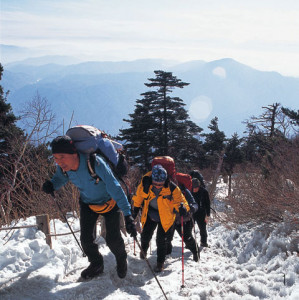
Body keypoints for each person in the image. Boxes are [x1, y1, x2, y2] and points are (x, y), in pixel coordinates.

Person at [42, 135, 136, 279]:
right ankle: (96, 264)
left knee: (113, 239)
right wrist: (52, 184)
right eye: (55, 157)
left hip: (110, 203)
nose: (59, 162)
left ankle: (121, 259)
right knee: (86, 239)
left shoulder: (94, 162)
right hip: (87, 204)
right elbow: (60, 178)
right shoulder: (64, 168)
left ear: (74, 154)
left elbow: (115, 187)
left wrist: (128, 214)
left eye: (62, 156)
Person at [131, 164, 190, 272]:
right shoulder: (145, 184)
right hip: (150, 214)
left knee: (161, 240)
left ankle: (160, 263)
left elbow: (181, 201)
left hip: (166, 217)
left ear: (165, 180)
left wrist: (183, 208)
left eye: (160, 184)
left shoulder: (172, 188)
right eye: (156, 183)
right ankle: (143, 250)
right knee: (145, 235)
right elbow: (138, 197)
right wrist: (135, 210)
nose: (158, 186)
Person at [167, 185, 199, 261]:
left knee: (187, 238)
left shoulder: (184, 190)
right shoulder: (165, 190)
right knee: (167, 238)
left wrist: (192, 208)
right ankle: (166, 254)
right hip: (170, 219)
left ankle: (195, 252)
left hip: (183, 219)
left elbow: (194, 203)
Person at [191, 177, 211, 247]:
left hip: (201, 213)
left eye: (196, 187)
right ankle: (189, 242)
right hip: (191, 212)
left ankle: (203, 242)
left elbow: (207, 203)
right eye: (193, 187)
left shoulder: (204, 192)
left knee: (202, 228)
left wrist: (208, 214)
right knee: (188, 228)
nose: (194, 189)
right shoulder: (189, 191)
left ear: (199, 186)